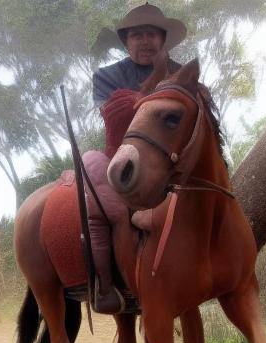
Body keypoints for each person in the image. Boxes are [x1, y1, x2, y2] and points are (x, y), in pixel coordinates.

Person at [84, 3, 187, 314]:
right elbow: (112, 115)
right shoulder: (107, 76)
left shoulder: (180, 72)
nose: (145, 41)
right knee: (101, 205)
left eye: (152, 34)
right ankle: (105, 285)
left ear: (162, 39)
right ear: (126, 41)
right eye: (138, 35)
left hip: (172, 157)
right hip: (120, 153)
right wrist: (150, 103)